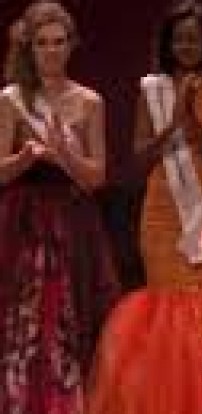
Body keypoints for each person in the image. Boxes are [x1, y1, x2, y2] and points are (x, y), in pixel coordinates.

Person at [86, 2, 202, 413]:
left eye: (195, 39)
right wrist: (172, 124)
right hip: (162, 209)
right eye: (179, 39)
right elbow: (139, 159)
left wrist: (190, 116)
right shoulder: (152, 89)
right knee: (164, 302)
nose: (186, 47)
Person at [0, 2, 119, 413]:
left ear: (71, 45)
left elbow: (96, 177)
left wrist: (65, 155)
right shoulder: (11, 99)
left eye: (58, 42)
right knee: (22, 317)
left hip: (72, 220)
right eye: (42, 43)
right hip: (22, 221)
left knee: (68, 317)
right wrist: (25, 158)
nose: (51, 51)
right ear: (29, 47)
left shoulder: (89, 102)